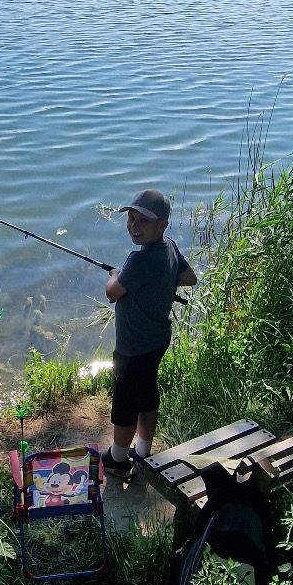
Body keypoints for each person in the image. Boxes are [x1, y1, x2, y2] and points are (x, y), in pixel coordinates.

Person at [102, 189, 197, 478]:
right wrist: (159, 282)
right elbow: (189, 278)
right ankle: (143, 451)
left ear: (162, 224)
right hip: (157, 340)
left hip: (133, 347)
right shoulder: (169, 247)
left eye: (144, 221)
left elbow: (112, 293)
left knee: (126, 402)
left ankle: (118, 459)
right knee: (146, 392)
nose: (134, 226)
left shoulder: (139, 260)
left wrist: (116, 274)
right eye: (131, 218)